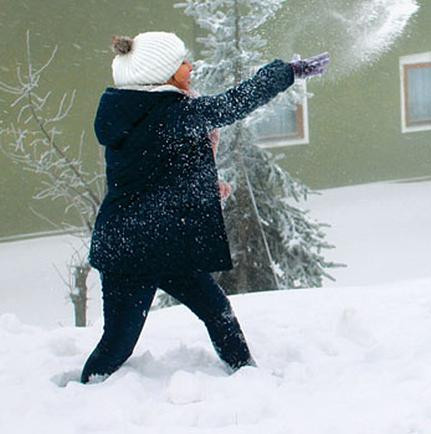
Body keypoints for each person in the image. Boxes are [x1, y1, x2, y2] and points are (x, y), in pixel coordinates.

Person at [81, 31, 330, 383]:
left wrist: (204, 190)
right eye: (181, 63)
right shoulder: (167, 115)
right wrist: (287, 72)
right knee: (118, 344)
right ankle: (82, 397)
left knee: (218, 311)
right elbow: (232, 105)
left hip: (162, 243)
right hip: (132, 252)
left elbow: (154, 173)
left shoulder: (134, 109)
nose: (190, 66)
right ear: (162, 74)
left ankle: (247, 375)